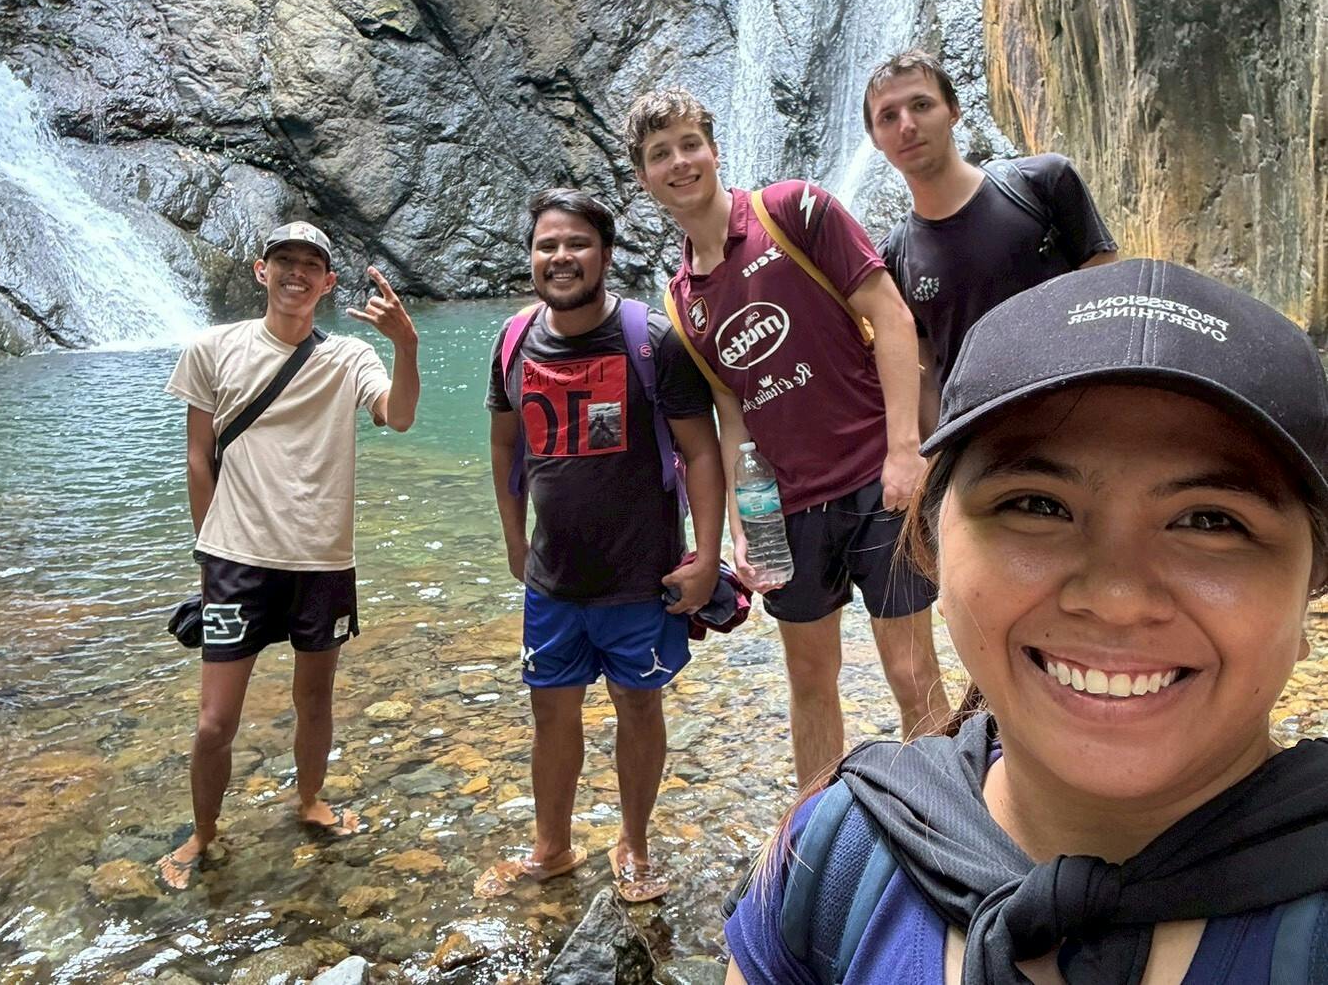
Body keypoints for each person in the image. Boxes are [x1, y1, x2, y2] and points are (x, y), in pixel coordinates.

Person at [724, 257, 1328, 984]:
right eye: (1036, 505)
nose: (1114, 597)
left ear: (1310, 589)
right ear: (930, 548)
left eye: (1209, 520)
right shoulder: (830, 857)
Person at [625, 87, 950, 789]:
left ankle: (946, 828)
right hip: (791, 509)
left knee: (910, 667)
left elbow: (891, 316)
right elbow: (732, 415)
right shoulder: (682, 300)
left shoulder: (796, 211)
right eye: (660, 154)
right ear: (643, 176)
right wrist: (746, 530)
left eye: (689, 144)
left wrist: (905, 451)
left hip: (873, 479)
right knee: (808, 678)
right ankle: (812, 831)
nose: (679, 163)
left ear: (713, 149)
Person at [157, 220, 420, 891]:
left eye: (311, 265)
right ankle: (205, 834)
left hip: (322, 559)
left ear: (328, 283)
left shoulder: (351, 356)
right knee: (215, 720)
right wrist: (206, 551)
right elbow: (197, 458)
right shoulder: (211, 349)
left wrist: (406, 345)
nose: (296, 274)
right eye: (284, 262)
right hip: (235, 560)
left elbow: (398, 416)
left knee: (315, 699)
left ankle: (308, 801)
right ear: (260, 270)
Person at [477, 188, 724, 903]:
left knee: (637, 708)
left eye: (577, 243)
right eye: (547, 245)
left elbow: (701, 455)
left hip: (640, 578)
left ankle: (635, 845)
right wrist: (510, 537)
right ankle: (550, 848)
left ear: (605, 255)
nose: (561, 257)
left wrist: (705, 558)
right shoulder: (513, 340)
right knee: (549, 714)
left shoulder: (653, 340)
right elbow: (503, 441)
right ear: (531, 257)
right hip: (553, 577)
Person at [864, 49, 1117, 435]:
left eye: (921, 105)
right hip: (982, 441)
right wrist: (937, 463)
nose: (907, 125)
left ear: (953, 110)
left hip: (1079, 415)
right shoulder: (894, 258)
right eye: (888, 116)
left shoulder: (1044, 184)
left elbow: (1109, 291)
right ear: (875, 139)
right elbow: (925, 376)